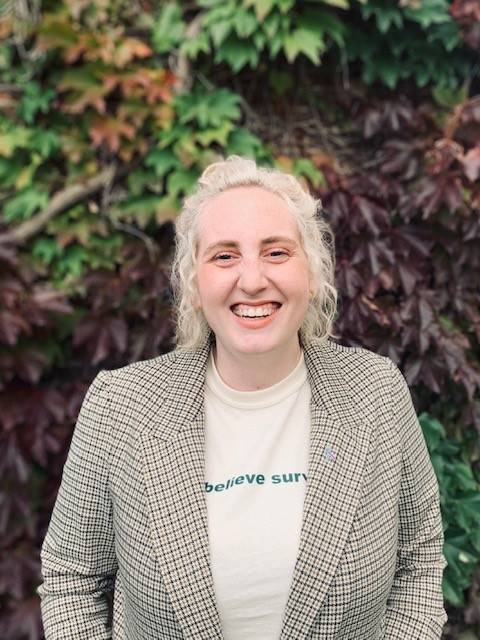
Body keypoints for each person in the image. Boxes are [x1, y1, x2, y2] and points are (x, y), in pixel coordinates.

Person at [38, 155, 447, 639]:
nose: (252, 281)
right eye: (224, 256)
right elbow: (71, 577)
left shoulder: (376, 393)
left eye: (276, 252)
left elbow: (419, 561)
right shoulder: (120, 407)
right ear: (194, 285)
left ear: (312, 274)